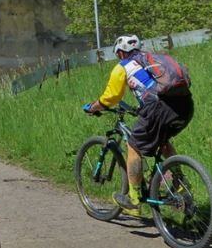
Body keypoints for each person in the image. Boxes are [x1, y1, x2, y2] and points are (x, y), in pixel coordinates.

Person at [83, 34, 194, 216]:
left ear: (120, 53)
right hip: (185, 105)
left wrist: (93, 107)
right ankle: (179, 181)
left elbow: (111, 97)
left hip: (158, 109)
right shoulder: (152, 59)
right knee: (162, 141)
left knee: (133, 146)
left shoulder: (123, 66)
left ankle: (133, 200)